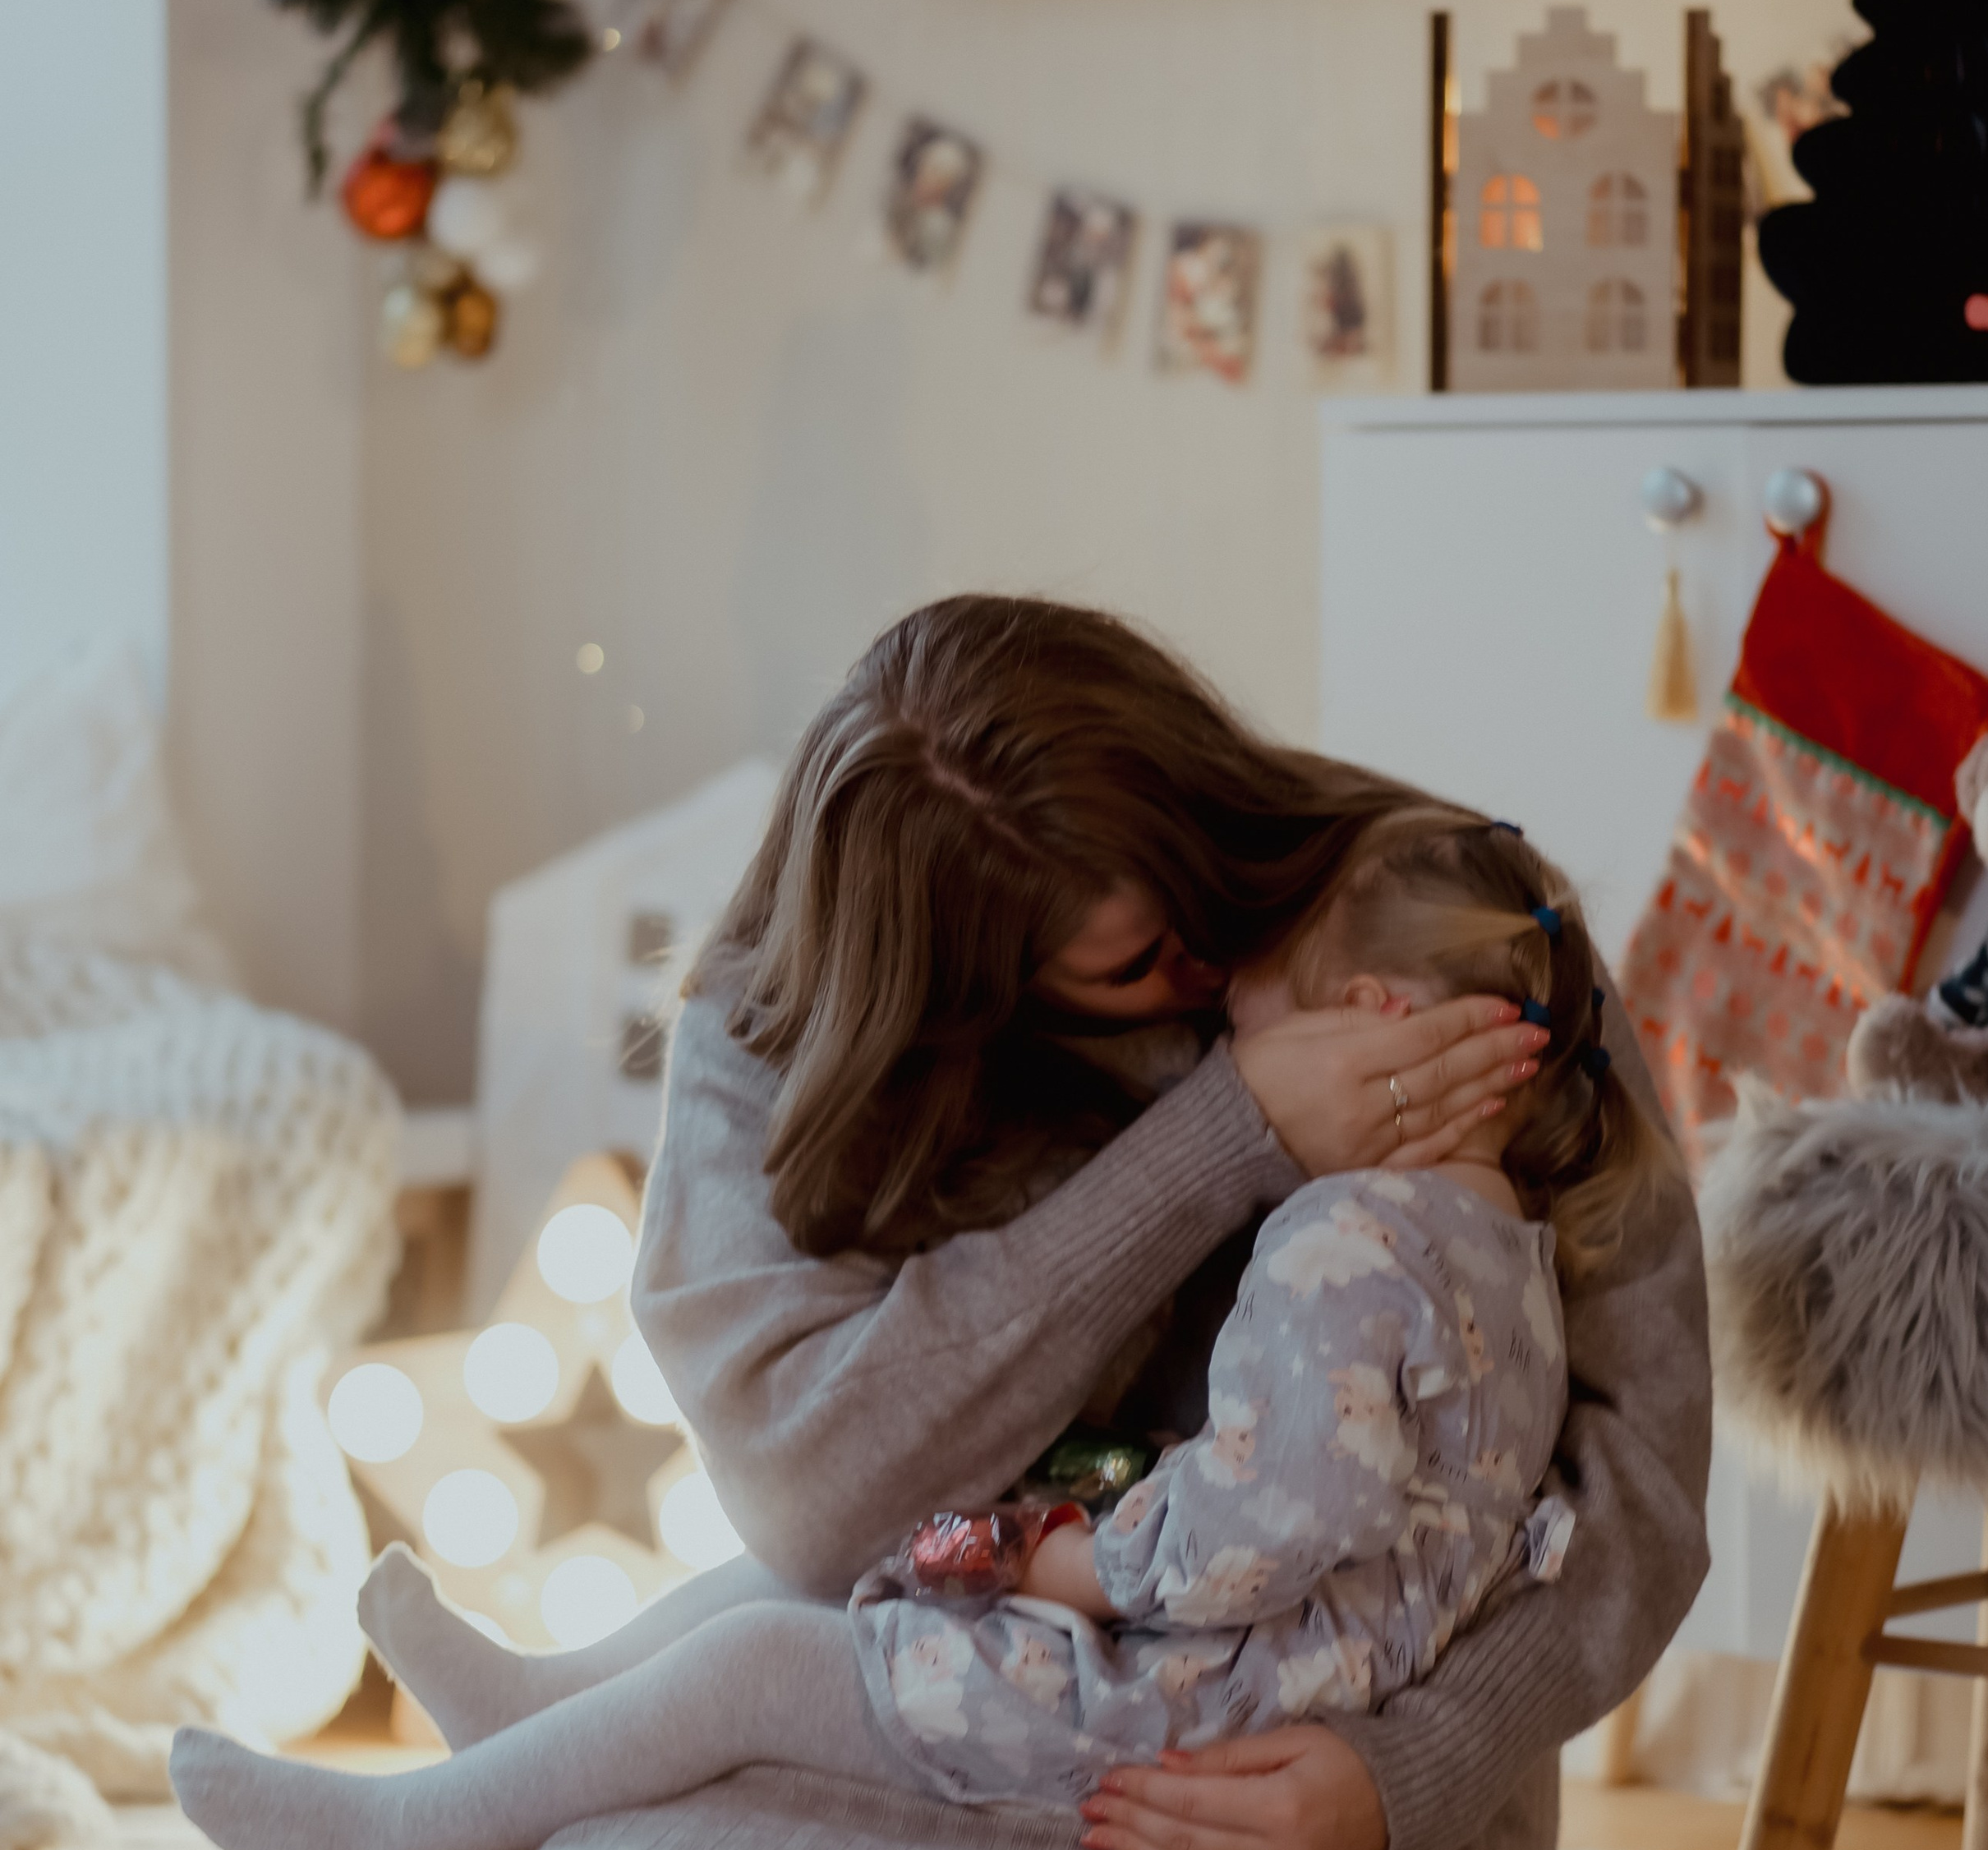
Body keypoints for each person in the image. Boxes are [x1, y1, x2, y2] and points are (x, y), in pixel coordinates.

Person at [234, 597, 1710, 1850]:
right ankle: (528, 1725)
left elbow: (1642, 1470)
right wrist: (1223, 1138)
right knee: (658, 1758)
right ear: (970, 993)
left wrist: (1413, 1773)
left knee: (735, 1685)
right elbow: (823, 1515)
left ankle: (466, 1792)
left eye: (1217, 898)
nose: (1219, 971)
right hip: (1039, 1638)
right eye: (1143, 966)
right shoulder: (776, 1037)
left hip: (1273, 1736)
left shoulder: (1431, 934)